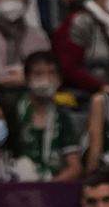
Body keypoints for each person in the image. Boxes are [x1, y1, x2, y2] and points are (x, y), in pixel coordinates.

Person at [16, 50, 83, 181]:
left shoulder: (63, 117)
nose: (45, 79)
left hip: (52, 186)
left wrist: (49, 187)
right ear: (27, 78)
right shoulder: (13, 112)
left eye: (51, 73)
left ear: (59, 80)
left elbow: (75, 168)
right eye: (38, 74)